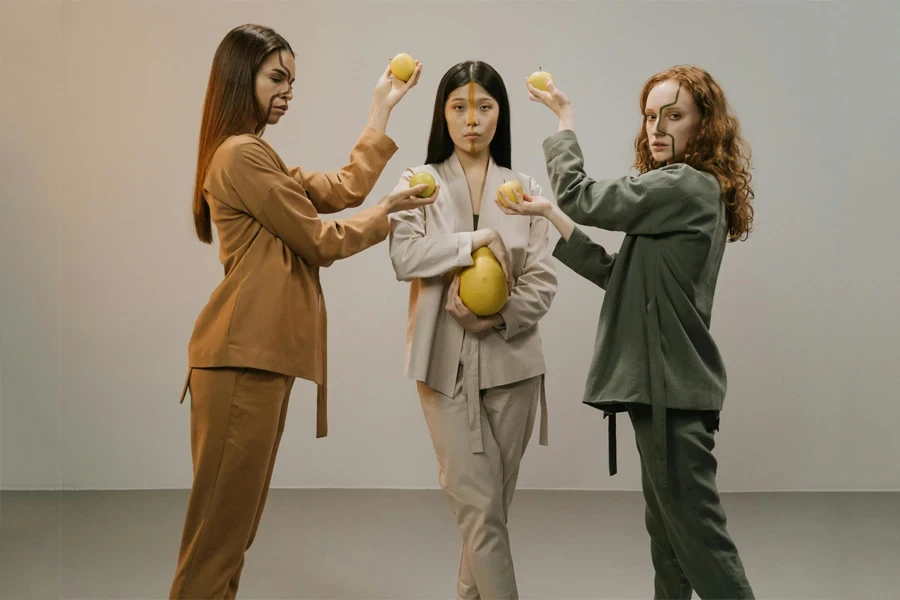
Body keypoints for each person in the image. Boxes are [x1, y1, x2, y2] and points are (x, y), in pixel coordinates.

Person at [169, 24, 436, 599]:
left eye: (291, 79)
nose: (288, 90)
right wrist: (391, 210)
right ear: (241, 78)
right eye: (276, 77)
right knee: (217, 541)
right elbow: (319, 239)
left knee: (231, 536)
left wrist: (380, 107)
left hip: (255, 359)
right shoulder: (241, 155)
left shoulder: (256, 154)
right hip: (241, 360)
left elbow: (341, 190)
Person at [498, 65, 756, 599]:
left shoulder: (684, 184)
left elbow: (580, 194)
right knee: (671, 544)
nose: (656, 127)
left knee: (700, 544)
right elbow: (618, 276)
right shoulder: (676, 196)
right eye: (649, 116)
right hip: (665, 393)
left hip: (670, 393)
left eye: (673, 115)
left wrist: (563, 119)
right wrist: (549, 216)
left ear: (703, 126)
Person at [387, 60, 557, 600]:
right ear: (443, 114)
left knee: (487, 516)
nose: (472, 120)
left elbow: (543, 279)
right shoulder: (420, 183)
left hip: (514, 369)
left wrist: (497, 316)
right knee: (479, 510)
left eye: (484, 107)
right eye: (459, 107)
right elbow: (404, 255)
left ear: (500, 114)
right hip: (443, 369)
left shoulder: (524, 188)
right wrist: (473, 242)